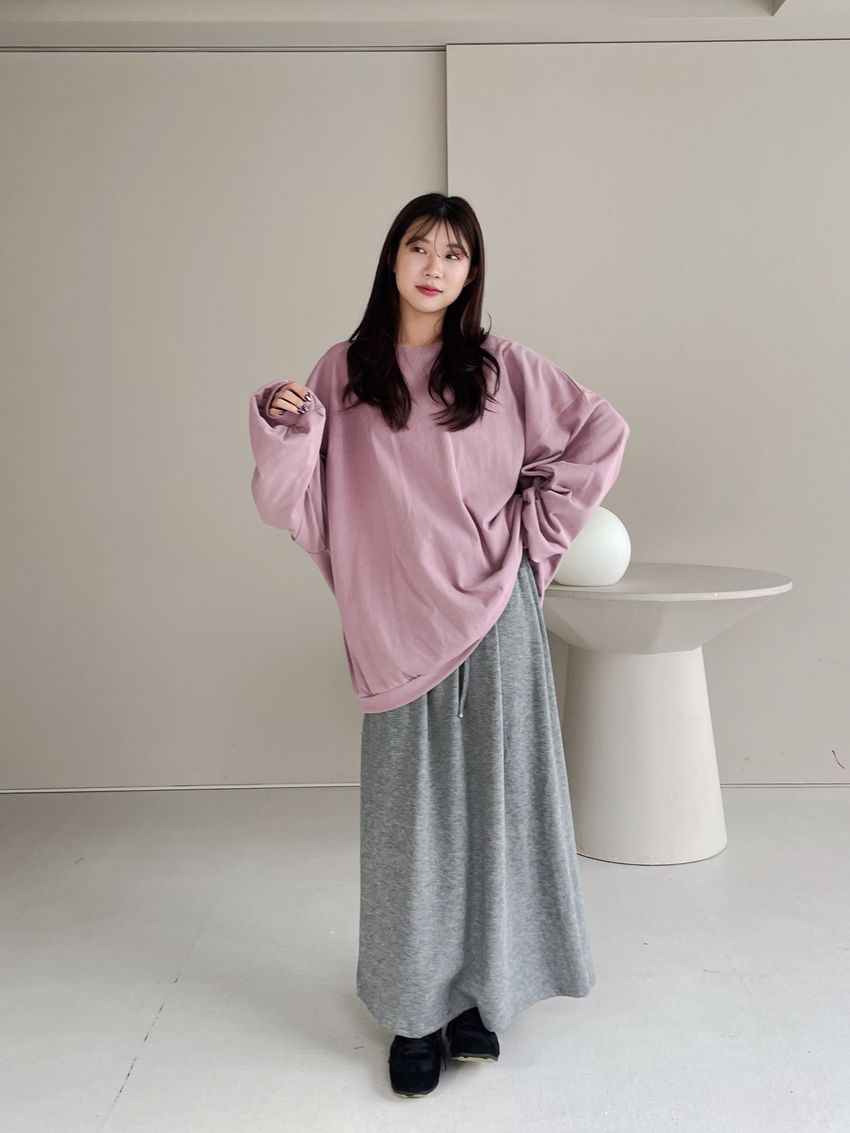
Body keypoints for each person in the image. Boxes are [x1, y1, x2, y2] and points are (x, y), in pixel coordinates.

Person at [247, 192, 630, 1099]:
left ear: (471, 272)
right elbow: (285, 501)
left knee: (496, 813)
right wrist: (282, 422)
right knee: (408, 830)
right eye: (419, 246)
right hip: (395, 628)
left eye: (454, 253)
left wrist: (535, 541)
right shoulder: (343, 372)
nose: (434, 266)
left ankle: (477, 998)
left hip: (497, 618)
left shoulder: (499, 368)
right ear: (392, 257)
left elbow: (599, 432)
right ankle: (414, 1010)